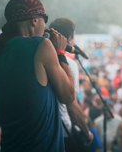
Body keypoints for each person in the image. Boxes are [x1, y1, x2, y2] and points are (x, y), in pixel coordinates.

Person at [0, 0, 75, 151]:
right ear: (35, 20)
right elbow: (68, 96)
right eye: (45, 19)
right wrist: (60, 52)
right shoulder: (41, 45)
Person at [49, 18, 93, 151]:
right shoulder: (68, 63)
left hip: (43, 131)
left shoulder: (40, 58)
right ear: (69, 39)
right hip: (63, 133)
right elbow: (71, 106)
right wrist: (86, 131)